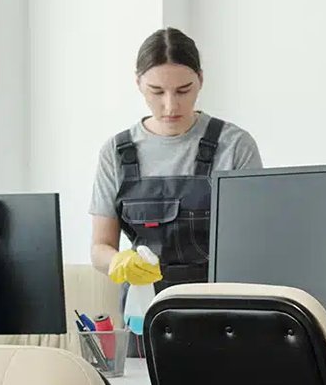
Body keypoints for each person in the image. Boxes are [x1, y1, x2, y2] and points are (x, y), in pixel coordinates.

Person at [91, 27, 262, 291]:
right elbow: (99, 248)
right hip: (146, 308)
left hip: (223, 305)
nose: (170, 106)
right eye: (157, 92)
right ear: (138, 83)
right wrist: (117, 261)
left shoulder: (235, 146)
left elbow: (255, 241)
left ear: (201, 80)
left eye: (183, 90)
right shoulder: (115, 152)